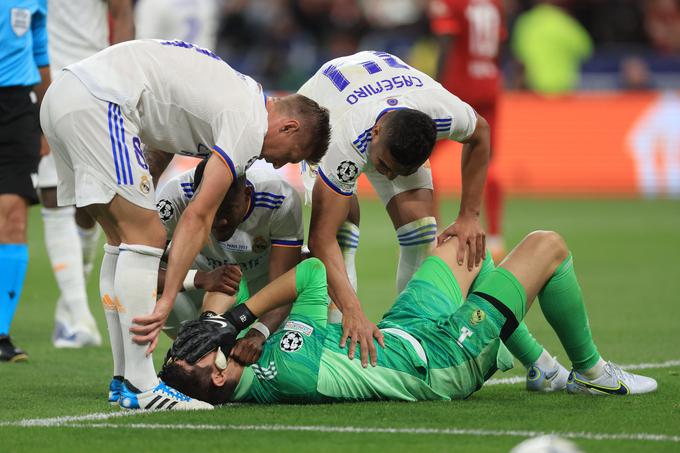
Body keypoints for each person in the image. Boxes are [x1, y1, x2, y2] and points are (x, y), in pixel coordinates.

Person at [40, 38, 330, 410]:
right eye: (286, 158)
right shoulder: (248, 121)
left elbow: (163, 128)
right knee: (145, 234)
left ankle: (123, 380)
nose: (274, 166)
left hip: (66, 96)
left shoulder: (235, 95)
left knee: (119, 238)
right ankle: (143, 386)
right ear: (289, 128)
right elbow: (199, 213)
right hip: (101, 102)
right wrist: (166, 299)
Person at [158, 230, 658, 404]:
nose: (200, 340)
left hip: (404, 332)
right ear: (220, 371)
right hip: (441, 359)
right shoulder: (287, 366)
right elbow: (314, 270)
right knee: (547, 246)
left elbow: (310, 278)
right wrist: (244, 319)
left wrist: (248, 327)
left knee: (465, 243)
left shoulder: (259, 365)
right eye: (199, 349)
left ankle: (544, 370)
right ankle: (593, 375)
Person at [300, 50, 488, 368]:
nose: (387, 176)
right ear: (375, 136)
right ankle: (334, 341)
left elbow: (480, 134)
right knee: (342, 228)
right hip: (328, 104)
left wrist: (468, 216)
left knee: (421, 227)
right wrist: (353, 309)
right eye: (384, 165)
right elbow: (320, 240)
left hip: (388, 92)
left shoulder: (442, 112)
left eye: (397, 171)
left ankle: (411, 333)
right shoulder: (344, 138)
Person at [40, 0, 134, 349]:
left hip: (93, 80)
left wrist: (119, 75)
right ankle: (79, 315)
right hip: (44, 77)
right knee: (52, 192)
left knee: (90, 200)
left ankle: (69, 313)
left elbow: (123, 13)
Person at [155, 158, 303, 358]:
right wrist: (201, 278)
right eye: (211, 210)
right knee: (149, 288)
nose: (219, 220)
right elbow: (140, 270)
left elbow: (284, 285)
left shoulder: (280, 199)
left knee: (309, 267)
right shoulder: (176, 197)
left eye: (227, 210)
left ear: (247, 195)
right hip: (199, 281)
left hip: (261, 288)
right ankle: (193, 345)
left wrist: (258, 334)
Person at [429, 0, 506, 261]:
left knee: (424, 157)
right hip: (490, 83)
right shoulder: (494, 4)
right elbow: (501, 45)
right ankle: (495, 236)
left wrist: (435, 85)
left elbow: (446, 41)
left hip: (459, 86)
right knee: (488, 159)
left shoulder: (450, 3)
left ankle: (433, 232)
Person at [0, 0, 50, 362]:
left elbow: (40, 47)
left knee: (12, 216)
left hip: (17, 107)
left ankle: (1, 333)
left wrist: (47, 121)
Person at [511, 0, 592, 95]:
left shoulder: (525, 23)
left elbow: (519, 60)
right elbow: (586, 50)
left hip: (534, 91)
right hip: (563, 90)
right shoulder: (565, 22)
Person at [135, 0, 219, 51]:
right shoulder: (207, 3)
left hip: (201, 67)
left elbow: (144, 43)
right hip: (167, 70)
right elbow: (145, 43)